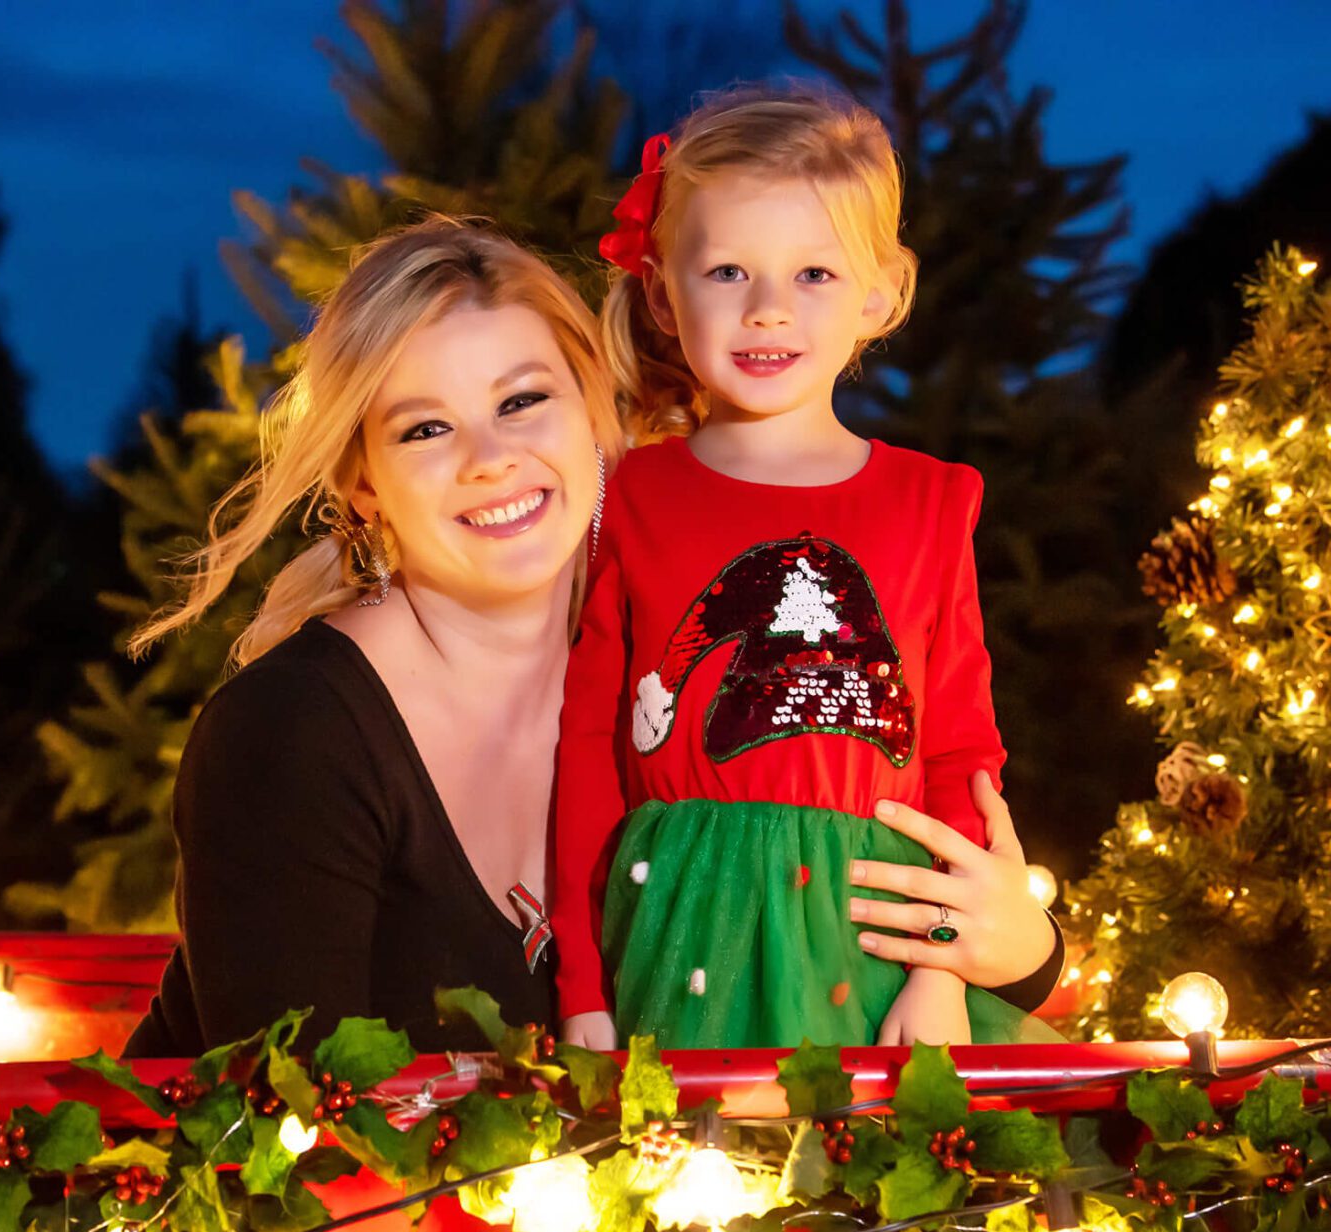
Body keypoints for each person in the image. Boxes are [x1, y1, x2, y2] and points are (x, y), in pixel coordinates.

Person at [122, 216, 1064, 1061]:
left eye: (523, 401)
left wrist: (1022, 952)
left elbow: (825, 940)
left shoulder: (668, 669)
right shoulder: (294, 734)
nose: (490, 458)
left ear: (597, 419)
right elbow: (280, 1148)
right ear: (364, 483)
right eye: (425, 429)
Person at [554, 88, 1057, 1053]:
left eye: (814, 272)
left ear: (881, 294)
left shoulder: (929, 502)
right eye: (729, 270)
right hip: (678, 928)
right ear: (664, 292)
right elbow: (584, 759)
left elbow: (958, 756)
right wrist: (583, 989)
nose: (768, 308)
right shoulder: (629, 497)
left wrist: (940, 969)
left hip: (870, 934)